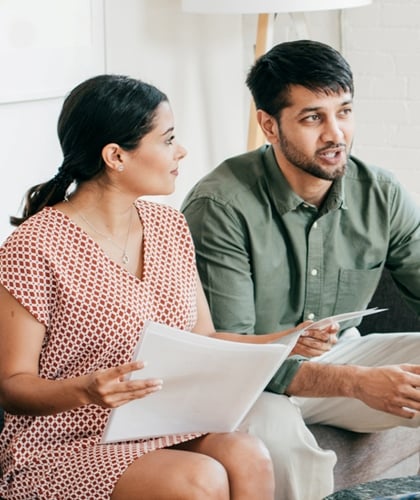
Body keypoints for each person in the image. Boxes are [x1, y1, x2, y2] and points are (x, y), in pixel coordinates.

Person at [0, 74, 338, 499]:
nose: (181, 151)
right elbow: (13, 385)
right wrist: (85, 390)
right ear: (116, 156)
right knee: (201, 479)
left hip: (155, 424)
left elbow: (206, 339)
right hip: (60, 444)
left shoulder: (168, 225)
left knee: (250, 454)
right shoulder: (34, 245)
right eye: (168, 139)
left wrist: (287, 340)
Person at [181, 39, 420, 500]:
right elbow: (233, 358)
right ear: (269, 125)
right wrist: (355, 383)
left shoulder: (380, 193)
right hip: (246, 386)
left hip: (334, 360)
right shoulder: (221, 205)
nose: (336, 134)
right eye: (313, 117)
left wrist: (351, 377)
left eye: (344, 112)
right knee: (282, 446)